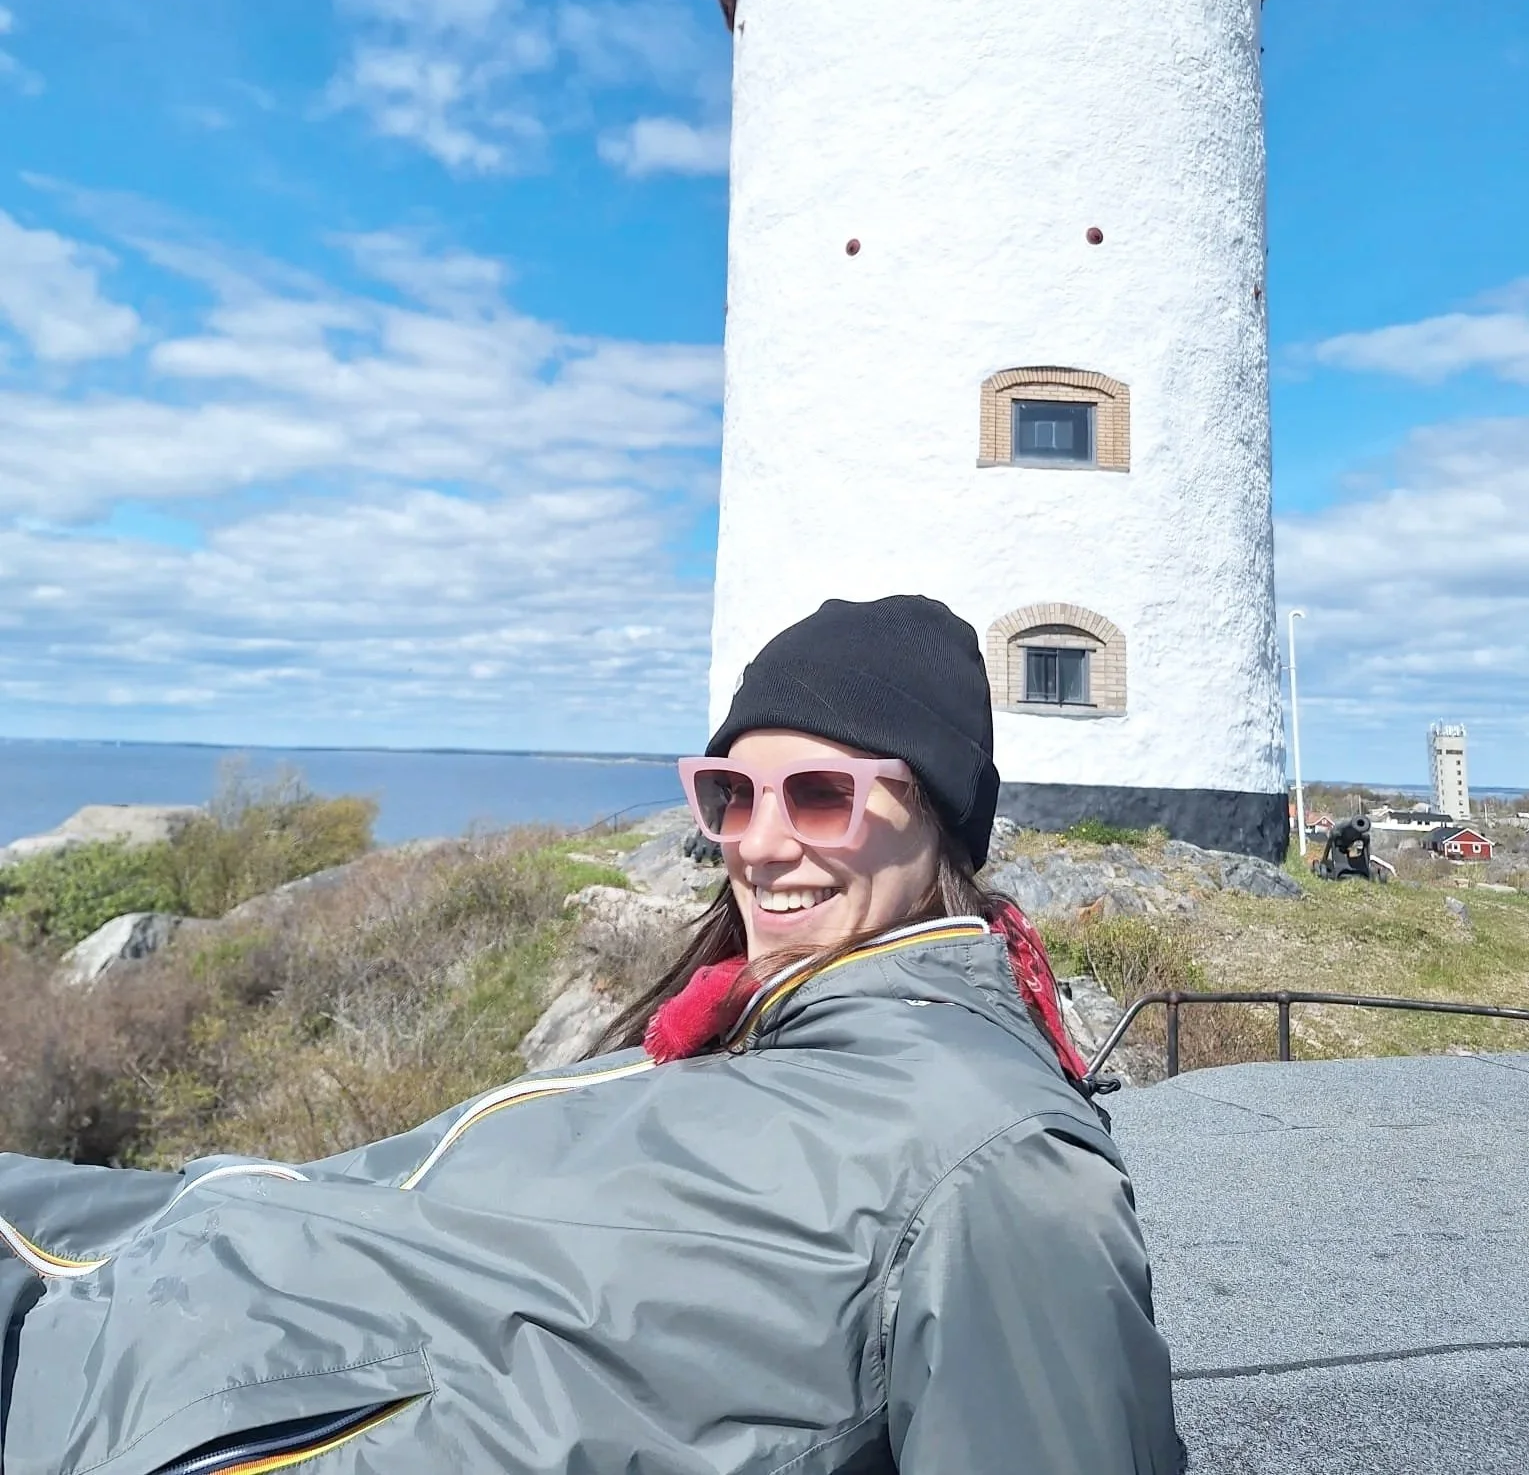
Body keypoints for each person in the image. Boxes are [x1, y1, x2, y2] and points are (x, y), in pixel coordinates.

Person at [0, 595, 1180, 1474]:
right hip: (157, 1294)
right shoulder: (754, 1028)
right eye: (730, 790)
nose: (759, 844)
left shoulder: (997, 1161)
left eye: (820, 791)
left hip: (155, 1406)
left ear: (937, 819)